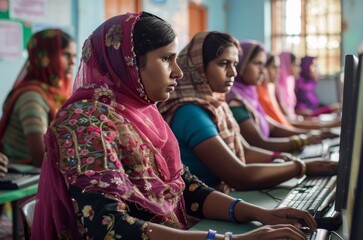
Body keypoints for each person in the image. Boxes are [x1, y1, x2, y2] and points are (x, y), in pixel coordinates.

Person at [32, 12, 321, 240]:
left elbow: (187, 189)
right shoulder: (84, 122)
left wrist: (262, 214)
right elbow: (108, 227)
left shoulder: (142, 114)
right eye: (166, 59)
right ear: (130, 63)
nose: (178, 71)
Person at [158, 31, 336, 193]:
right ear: (198, 66)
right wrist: (301, 167)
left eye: (235, 64)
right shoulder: (190, 111)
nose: (232, 72)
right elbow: (239, 176)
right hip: (203, 212)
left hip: (222, 199)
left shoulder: (217, 104)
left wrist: (281, 158)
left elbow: (246, 150)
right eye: (223, 64)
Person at [226, 40, 335, 153]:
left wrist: (313, 134)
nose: (263, 71)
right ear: (241, 65)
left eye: (264, 65)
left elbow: (273, 127)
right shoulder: (235, 100)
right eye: (257, 64)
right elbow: (259, 143)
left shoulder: (250, 96)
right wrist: (304, 140)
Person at [0, 29, 76, 167]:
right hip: (24, 176)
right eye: (66, 55)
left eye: (74, 56)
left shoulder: (55, 94)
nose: (73, 62)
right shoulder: (32, 97)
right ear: (44, 58)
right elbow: (41, 157)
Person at [275, 51, 341, 130]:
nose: (299, 69)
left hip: (299, 121)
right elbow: (295, 116)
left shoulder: (291, 84)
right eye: (296, 65)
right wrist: (328, 114)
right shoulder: (296, 86)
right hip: (294, 124)